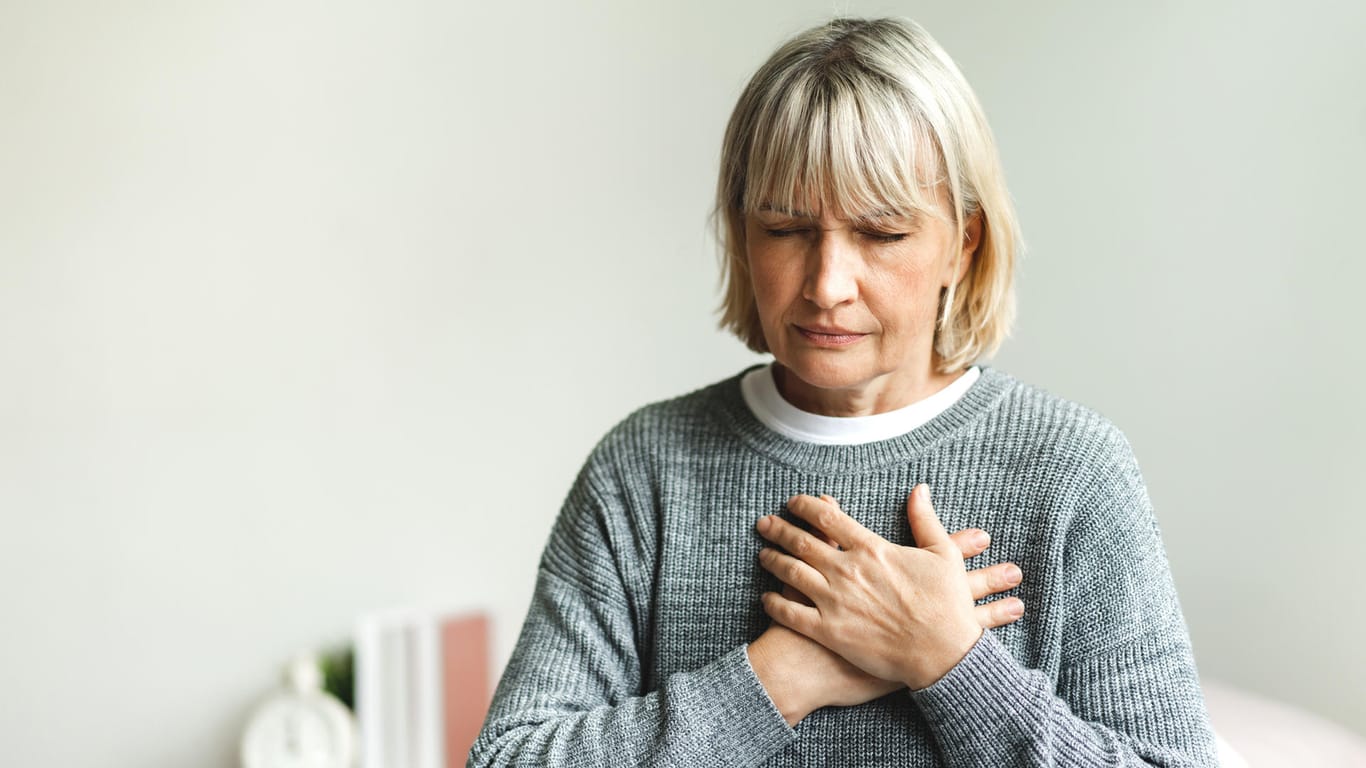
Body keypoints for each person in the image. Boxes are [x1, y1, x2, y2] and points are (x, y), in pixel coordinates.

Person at [468, 16, 1218, 768]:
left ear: (965, 242)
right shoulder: (646, 469)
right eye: (787, 229)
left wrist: (951, 663)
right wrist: (782, 677)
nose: (827, 287)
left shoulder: (1072, 470)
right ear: (741, 234)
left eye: (881, 235)